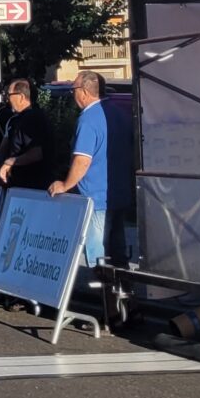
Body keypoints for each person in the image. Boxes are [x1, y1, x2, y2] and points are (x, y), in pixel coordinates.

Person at [48, 70, 133, 268]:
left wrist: (65, 184)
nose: (72, 94)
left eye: (73, 90)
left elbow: (82, 160)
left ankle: (107, 295)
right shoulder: (119, 113)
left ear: (84, 92)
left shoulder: (88, 119)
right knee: (117, 251)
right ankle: (124, 293)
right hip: (118, 193)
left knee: (98, 256)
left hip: (95, 197)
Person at [0, 79, 54, 191]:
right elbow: (3, 150)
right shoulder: (17, 119)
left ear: (21, 97)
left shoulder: (33, 118)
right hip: (17, 186)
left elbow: (36, 153)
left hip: (32, 188)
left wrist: (10, 162)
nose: (7, 99)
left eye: (9, 95)